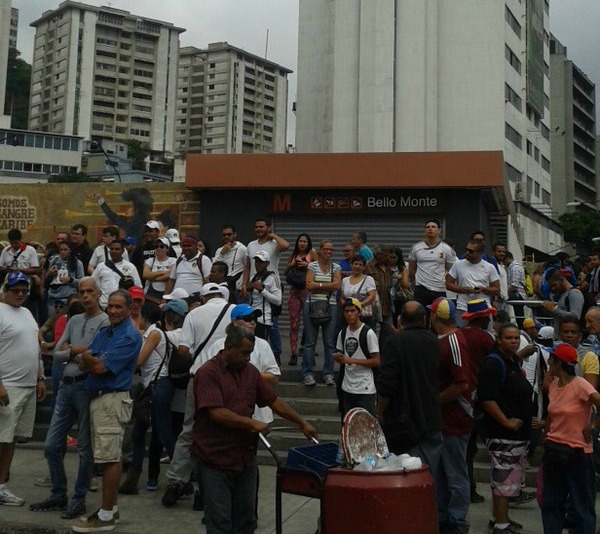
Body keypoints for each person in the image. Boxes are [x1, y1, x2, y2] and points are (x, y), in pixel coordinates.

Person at [192, 326, 317, 534]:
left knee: (247, 519)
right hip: (214, 458)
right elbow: (215, 412)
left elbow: (273, 400)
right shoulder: (208, 373)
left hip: (244, 457)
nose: (248, 358)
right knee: (219, 521)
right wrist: (250, 423)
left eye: (250, 353)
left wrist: (301, 422)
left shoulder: (250, 372)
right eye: (244, 353)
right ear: (228, 347)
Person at [29, 278, 108, 519]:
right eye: (82, 292)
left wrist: (74, 351)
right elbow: (56, 354)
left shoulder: (105, 322)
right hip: (67, 386)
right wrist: (77, 352)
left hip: (87, 388)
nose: (85, 296)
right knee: (52, 445)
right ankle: (59, 492)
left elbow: (97, 357)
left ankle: (79, 498)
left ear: (98, 293)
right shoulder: (73, 320)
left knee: (84, 448)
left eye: (90, 292)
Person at [71, 290, 142, 533]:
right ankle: (109, 509)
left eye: (118, 307)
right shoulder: (107, 331)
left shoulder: (129, 336)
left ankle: (106, 515)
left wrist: (90, 358)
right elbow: (85, 361)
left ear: (130, 308)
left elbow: (98, 365)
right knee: (106, 456)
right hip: (100, 399)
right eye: (110, 306)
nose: (112, 311)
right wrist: (90, 359)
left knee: (110, 458)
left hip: (111, 399)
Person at [161, 283, 235, 507]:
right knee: (223, 431)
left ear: (203, 298)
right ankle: (210, 487)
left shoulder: (194, 314)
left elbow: (183, 351)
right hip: (228, 379)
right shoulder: (236, 311)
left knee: (189, 430)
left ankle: (176, 481)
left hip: (199, 377)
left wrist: (196, 356)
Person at [121, 299, 187, 495]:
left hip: (159, 387)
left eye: (139, 315)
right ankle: (132, 480)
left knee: (164, 433)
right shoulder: (152, 332)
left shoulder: (155, 333)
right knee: (138, 434)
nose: (137, 318)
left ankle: (183, 477)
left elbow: (140, 361)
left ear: (145, 316)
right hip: (151, 387)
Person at [477, 323, 533, 534]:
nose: (514, 341)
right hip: (503, 435)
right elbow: (487, 398)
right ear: (499, 339)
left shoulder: (511, 362)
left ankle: (502, 517)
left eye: (516, 337)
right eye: (508, 338)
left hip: (516, 435)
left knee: (508, 480)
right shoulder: (493, 363)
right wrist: (505, 421)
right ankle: (501, 524)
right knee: (503, 479)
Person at [377, 301, 442, 477]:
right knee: (428, 475)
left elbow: (386, 384)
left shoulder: (394, 342)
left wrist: (379, 411)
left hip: (402, 421)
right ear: (424, 319)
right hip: (430, 417)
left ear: (400, 320)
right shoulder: (434, 342)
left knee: (405, 476)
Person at [541, 343, 600, 534]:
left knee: (581, 505)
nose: (549, 362)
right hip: (554, 450)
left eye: (552, 360)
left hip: (578, 453)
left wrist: (592, 427)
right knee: (551, 503)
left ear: (558, 363)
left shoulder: (580, 385)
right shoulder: (553, 386)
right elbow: (551, 414)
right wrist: (546, 435)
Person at [0, 272, 46, 507]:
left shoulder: (27, 313)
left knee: (11, 440)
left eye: (24, 290)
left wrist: (40, 377)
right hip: (8, 387)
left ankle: (1, 484)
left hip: (27, 386)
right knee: (2, 440)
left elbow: (35, 347)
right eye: (15, 289)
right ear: (4, 289)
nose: (20, 294)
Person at [429, 297, 472, 534]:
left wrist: (434, 401)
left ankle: (457, 521)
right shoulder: (443, 341)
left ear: (435, 317)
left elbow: (461, 383)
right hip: (444, 419)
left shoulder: (453, 341)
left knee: (455, 474)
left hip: (454, 419)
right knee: (444, 474)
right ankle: (444, 516)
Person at [459, 299, 497, 504]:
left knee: (466, 447)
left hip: (463, 395)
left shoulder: (459, 335)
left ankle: (468, 487)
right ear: (482, 318)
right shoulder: (485, 339)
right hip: (479, 396)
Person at [242, 217, 289, 365]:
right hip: (253, 285)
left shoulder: (274, 243)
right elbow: (247, 266)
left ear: (268, 228)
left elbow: (286, 245)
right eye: (256, 227)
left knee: (272, 324)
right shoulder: (250, 245)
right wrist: (244, 285)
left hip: (270, 284)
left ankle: (275, 355)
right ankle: (256, 356)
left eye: (262, 227)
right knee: (253, 322)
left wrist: (272, 235)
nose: (259, 229)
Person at [302, 239, 342, 387]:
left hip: (330, 305)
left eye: (331, 250)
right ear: (320, 250)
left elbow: (337, 285)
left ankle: (328, 374)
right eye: (326, 249)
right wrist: (327, 285)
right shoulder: (312, 266)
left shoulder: (336, 267)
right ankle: (307, 373)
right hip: (311, 305)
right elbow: (308, 285)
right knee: (310, 342)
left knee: (330, 343)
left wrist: (317, 285)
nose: (329, 252)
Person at [334, 298, 380, 417]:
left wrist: (352, 360)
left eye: (353, 311)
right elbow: (342, 355)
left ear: (359, 312)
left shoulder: (368, 333)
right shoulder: (342, 333)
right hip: (347, 387)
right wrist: (338, 358)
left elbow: (376, 361)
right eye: (346, 311)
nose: (349, 314)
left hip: (365, 388)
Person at [446, 240, 500, 327]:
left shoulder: (489, 267)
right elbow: (448, 284)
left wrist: (483, 289)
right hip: (463, 308)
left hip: (483, 308)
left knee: (485, 337)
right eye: (466, 249)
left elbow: (497, 290)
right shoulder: (458, 264)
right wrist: (463, 289)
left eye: (471, 251)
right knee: (462, 337)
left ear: (480, 253)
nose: (467, 253)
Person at [408, 219, 457, 308]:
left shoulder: (446, 249)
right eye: (428, 227)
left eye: (433, 227)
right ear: (425, 231)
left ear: (439, 231)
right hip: (420, 288)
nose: (430, 229)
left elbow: (452, 271)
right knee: (419, 316)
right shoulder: (416, 247)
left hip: (439, 289)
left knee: (439, 317)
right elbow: (411, 270)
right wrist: (414, 284)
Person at [285, 233, 315, 365]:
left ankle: (309, 354)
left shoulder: (312, 254)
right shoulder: (292, 255)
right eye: (300, 241)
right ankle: (293, 352)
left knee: (309, 323)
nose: (302, 244)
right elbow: (286, 273)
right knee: (294, 324)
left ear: (308, 244)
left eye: (305, 241)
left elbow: (318, 270)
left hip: (307, 291)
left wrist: (307, 265)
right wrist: (291, 265)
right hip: (294, 291)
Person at [91, 240, 142, 309]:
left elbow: (138, 287)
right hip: (104, 306)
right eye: (112, 249)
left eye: (117, 249)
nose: (114, 251)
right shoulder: (101, 266)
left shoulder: (131, 267)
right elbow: (93, 285)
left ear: (123, 251)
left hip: (123, 306)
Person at [248, 250, 282, 343]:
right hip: (252, 318)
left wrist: (262, 290)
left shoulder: (272, 278)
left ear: (267, 263)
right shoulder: (253, 277)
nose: (258, 264)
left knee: (262, 346)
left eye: (261, 262)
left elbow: (278, 301)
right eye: (256, 261)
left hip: (264, 320)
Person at [44, 241, 85, 312]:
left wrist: (70, 280)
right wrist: (48, 275)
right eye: (61, 250)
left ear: (70, 250)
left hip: (68, 296)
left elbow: (82, 282)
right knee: (52, 320)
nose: (63, 252)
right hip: (52, 296)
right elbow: (46, 281)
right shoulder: (53, 261)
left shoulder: (77, 263)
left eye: (65, 250)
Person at [339, 255, 377, 329]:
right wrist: (346, 306)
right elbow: (342, 297)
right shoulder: (345, 280)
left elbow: (372, 296)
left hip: (364, 315)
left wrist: (359, 305)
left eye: (360, 265)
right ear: (351, 265)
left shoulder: (368, 279)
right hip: (349, 316)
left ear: (363, 267)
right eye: (356, 264)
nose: (358, 266)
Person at [213, 224, 247, 302]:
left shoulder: (242, 249)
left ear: (235, 234)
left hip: (236, 288)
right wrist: (222, 253)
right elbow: (214, 267)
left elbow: (248, 267)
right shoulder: (219, 250)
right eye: (224, 235)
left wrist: (244, 285)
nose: (226, 237)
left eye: (229, 234)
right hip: (222, 287)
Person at [143, 237, 176, 304]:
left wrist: (153, 278)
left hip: (166, 295)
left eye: (162, 246)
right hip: (149, 296)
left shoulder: (173, 261)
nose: (159, 248)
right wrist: (165, 272)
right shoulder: (150, 260)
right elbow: (145, 275)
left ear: (167, 249)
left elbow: (171, 275)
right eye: (156, 246)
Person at [504, 251, 527, 328]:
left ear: (507, 259)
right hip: (517, 293)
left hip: (518, 294)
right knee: (519, 315)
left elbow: (514, 286)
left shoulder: (515, 268)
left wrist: (502, 292)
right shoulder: (512, 268)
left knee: (519, 316)